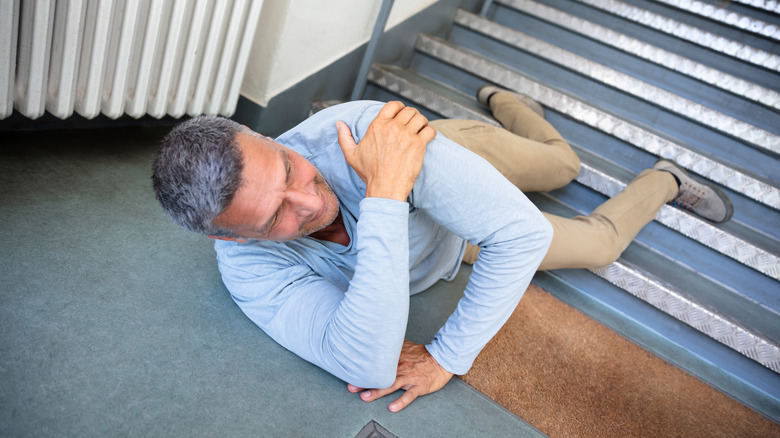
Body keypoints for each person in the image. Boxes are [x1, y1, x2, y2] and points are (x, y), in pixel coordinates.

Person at [151, 86, 732, 413]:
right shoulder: (246, 268)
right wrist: (385, 194)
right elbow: (362, 362)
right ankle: (670, 176)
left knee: (564, 166)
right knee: (598, 245)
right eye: (275, 215)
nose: (307, 202)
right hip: (443, 233)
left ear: (263, 136)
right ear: (227, 236)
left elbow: (521, 235)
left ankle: (504, 102)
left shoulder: (371, 132)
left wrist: (449, 355)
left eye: (287, 166)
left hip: (445, 155)